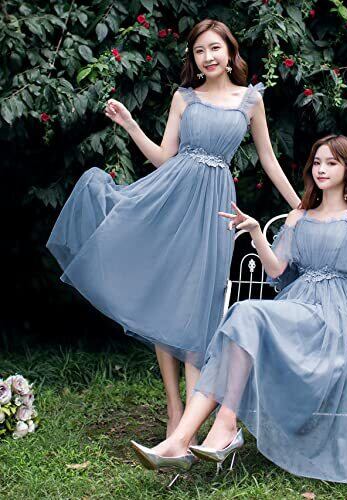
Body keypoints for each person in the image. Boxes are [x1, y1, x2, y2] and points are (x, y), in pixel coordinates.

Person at [46, 19, 300, 442]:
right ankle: (174, 409)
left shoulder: (250, 100)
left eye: (215, 48)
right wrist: (131, 125)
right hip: (171, 198)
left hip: (215, 208)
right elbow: (166, 157)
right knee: (168, 297)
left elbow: (269, 160)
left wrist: (301, 207)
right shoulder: (184, 97)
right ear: (193, 59)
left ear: (230, 52)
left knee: (200, 303)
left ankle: (188, 424)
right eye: (199, 51)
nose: (208, 57)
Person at [131, 134, 347, 489]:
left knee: (245, 316)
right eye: (317, 163)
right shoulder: (299, 216)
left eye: (331, 163)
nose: (322, 170)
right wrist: (255, 231)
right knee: (243, 317)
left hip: (337, 317)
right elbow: (277, 269)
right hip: (299, 309)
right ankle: (186, 438)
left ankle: (220, 426)